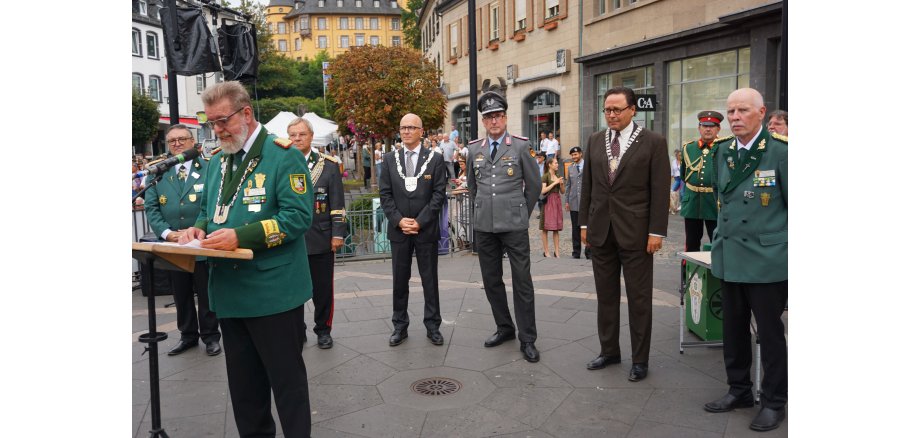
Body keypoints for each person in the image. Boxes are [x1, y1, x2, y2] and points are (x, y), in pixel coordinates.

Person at [179, 81, 314, 438]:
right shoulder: (218, 161)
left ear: (247, 113)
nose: (217, 130)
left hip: (272, 292)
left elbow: (298, 218)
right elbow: (208, 211)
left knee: (288, 387)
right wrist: (197, 229)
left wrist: (241, 236)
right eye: (212, 123)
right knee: (245, 392)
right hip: (229, 292)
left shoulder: (283, 154)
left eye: (223, 121)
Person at [703, 88, 788, 432]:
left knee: (770, 334)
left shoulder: (781, 152)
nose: (735, 117)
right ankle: (738, 390)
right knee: (733, 330)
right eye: (731, 111)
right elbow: (719, 197)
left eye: (742, 111)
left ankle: (774, 401)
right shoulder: (722, 151)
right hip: (730, 256)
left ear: (761, 113)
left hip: (767, 260)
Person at [579, 86, 669, 382]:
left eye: (617, 109)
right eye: (607, 109)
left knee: (639, 300)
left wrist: (656, 231)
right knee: (606, 296)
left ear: (633, 110)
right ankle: (609, 351)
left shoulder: (653, 142)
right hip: (601, 231)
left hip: (637, 233)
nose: (611, 115)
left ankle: (640, 360)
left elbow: (660, 190)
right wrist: (583, 225)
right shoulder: (595, 140)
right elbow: (588, 185)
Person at [467, 91, 542, 363]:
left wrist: (521, 212)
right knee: (491, 280)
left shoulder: (520, 146)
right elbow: (473, 188)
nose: (494, 121)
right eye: (489, 117)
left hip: (514, 226)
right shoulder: (474, 149)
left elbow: (534, 186)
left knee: (522, 281)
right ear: (483, 121)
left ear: (505, 118)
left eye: (498, 116)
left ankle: (528, 338)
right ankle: (504, 327)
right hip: (485, 226)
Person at [144, 124, 222, 357]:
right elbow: (151, 207)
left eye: (182, 139)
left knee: (206, 293)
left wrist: (197, 230)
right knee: (181, 293)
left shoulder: (208, 167)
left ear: (192, 141)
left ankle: (211, 336)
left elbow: (214, 204)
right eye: (172, 141)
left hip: (201, 242)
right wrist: (167, 233)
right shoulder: (159, 171)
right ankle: (187, 335)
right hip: (174, 245)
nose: (177, 144)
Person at [378, 113, 447, 347]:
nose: (406, 131)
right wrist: (398, 220)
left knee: (430, 280)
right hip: (399, 231)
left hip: (425, 230)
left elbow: (439, 194)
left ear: (421, 131)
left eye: (411, 127)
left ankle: (433, 326)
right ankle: (400, 326)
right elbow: (385, 194)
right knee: (399, 280)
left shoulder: (435, 159)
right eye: (403, 127)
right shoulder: (389, 159)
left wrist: (421, 221)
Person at [288, 117, 346, 350]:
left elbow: (337, 203)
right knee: (292, 290)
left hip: (321, 237)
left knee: (322, 290)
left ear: (311, 136)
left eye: (302, 134)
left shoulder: (328, 165)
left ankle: (323, 330)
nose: (297, 139)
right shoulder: (283, 163)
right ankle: (296, 330)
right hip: (291, 239)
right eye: (293, 135)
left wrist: (338, 234)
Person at [680, 110, 723, 252]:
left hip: (715, 202)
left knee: (717, 241)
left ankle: (717, 267)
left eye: (712, 126)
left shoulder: (724, 148)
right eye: (704, 126)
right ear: (699, 128)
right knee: (691, 242)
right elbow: (683, 174)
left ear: (718, 129)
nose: (708, 129)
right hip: (692, 201)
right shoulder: (688, 148)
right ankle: (689, 267)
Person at [565, 146, 589, 259]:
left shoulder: (588, 166)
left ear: (580, 154)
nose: (574, 157)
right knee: (575, 228)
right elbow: (568, 185)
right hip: (574, 202)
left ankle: (589, 251)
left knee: (588, 227)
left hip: (586, 202)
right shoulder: (570, 168)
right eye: (572, 155)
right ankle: (576, 252)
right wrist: (567, 201)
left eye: (575, 154)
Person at [540, 156, 565, 258]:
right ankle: (546, 251)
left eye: (557, 163)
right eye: (555, 163)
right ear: (549, 165)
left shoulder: (558, 175)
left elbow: (562, 192)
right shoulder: (545, 176)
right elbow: (543, 191)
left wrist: (561, 184)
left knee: (556, 229)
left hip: (557, 202)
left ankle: (557, 252)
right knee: (545, 228)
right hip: (548, 202)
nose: (557, 164)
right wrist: (555, 182)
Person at [669, 149, 682, 214]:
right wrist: (670, 179)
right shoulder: (673, 162)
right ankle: (672, 207)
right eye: (678, 155)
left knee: (682, 192)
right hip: (677, 179)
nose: (680, 156)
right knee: (672, 192)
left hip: (682, 179)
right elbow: (672, 171)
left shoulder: (683, 162)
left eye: (680, 155)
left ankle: (682, 205)